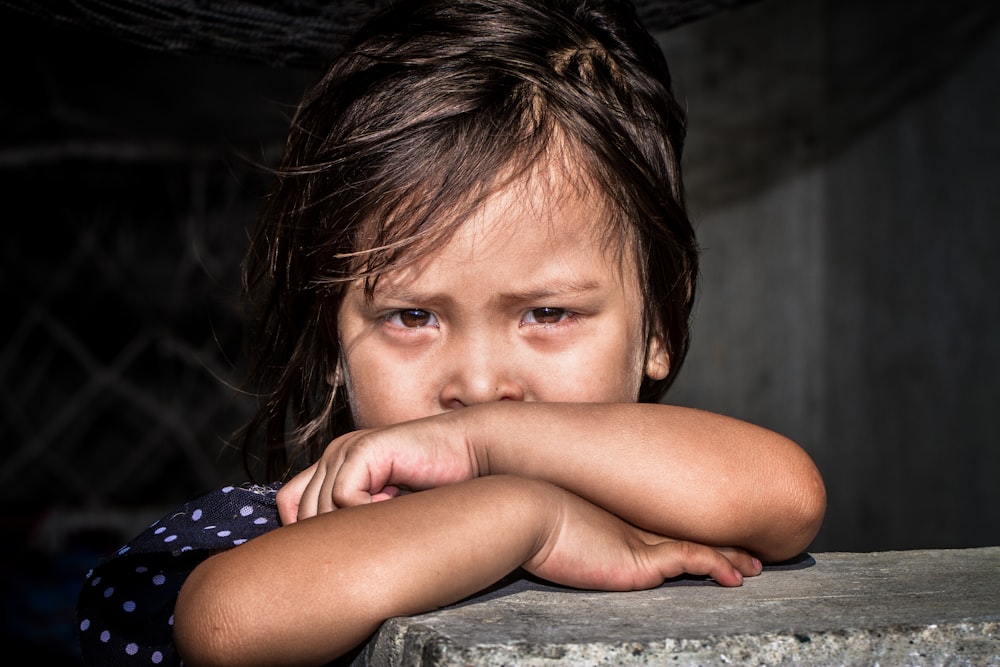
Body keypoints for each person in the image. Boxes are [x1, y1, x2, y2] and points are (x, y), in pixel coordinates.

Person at [76, 0, 826, 665]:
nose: (476, 382)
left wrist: (484, 443)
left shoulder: (666, 505)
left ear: (660, 317)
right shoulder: (310, 520)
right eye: (412, 316)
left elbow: (785, 499)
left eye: (548, 313)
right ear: (333, 335)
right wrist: (530, 514)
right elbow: (228, 626)